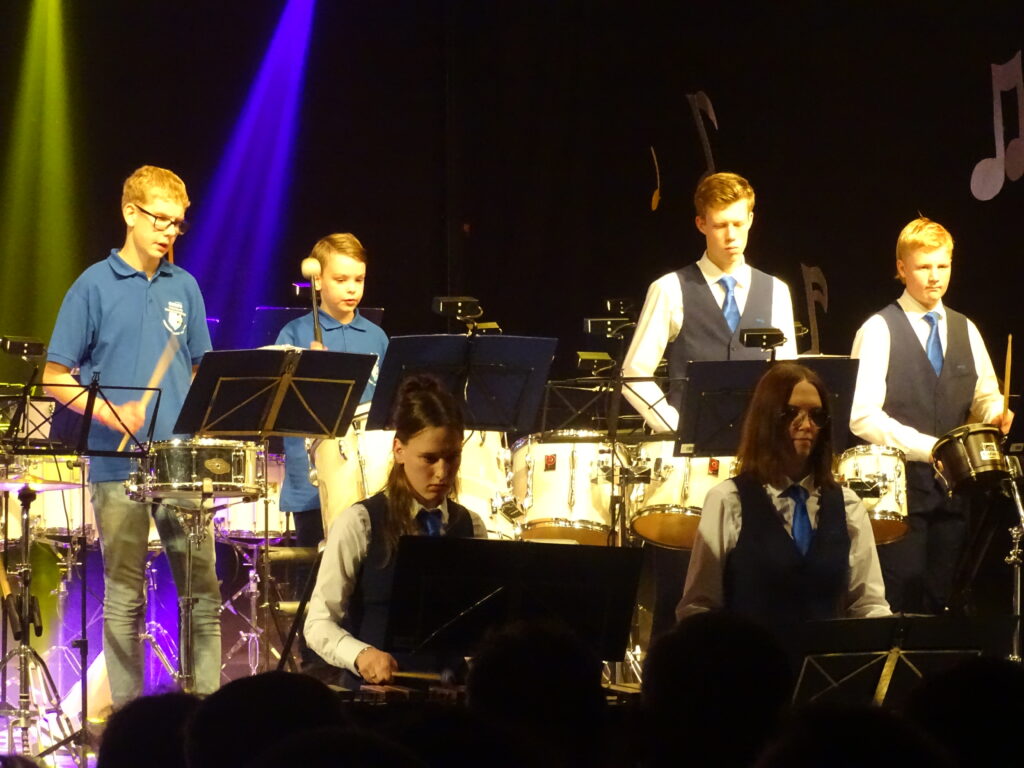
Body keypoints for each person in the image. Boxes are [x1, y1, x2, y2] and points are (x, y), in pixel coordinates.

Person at [43, 165, 220, 707]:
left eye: (178, 223)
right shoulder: (92, 285)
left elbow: (200, 370)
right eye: (160, 219)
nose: (169, 231)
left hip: (179, 464)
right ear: (130, 213)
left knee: (201, 594)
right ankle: (128, 720)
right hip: (116, 465)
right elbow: (55, 378)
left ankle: (207, 710)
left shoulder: (184, 286)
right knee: (124, 598)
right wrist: (110, 413)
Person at [621, 171, 799, 639]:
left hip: (757, 464)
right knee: (683, 595)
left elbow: (790, 379)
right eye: (720, 225)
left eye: (739, 223)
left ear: (752, 219)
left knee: (752, 591)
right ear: (701, 224)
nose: (731, 235)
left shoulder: (776, 291)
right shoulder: (671, 288)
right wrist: (679, 426)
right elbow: (634, 374)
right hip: (690, 471)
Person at [849, 216, 1012, 614]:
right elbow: (862, 415)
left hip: (956, 494)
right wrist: (931, 448)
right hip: (898, 495)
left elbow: (984, 396)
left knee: (946, 599)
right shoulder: (879, 329)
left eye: (943, 266)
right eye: (924, 267)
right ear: (901, 268)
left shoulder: (965, 328)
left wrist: (996, 412)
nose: (935, 277)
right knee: (902, 598)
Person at [678, 362, 890, 634]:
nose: (806, 425)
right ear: (767, 420)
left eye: (816, 415)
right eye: (791, 413)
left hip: (823, 658)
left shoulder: (847, 505)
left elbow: (869, 604)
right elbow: (698, 606)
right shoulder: (728, 500)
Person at [304, 374, 487, 688]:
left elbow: (480, 624)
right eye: (429, 458)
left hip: (451, 696)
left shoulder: (471, 525)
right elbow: (318, 623)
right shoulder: (360, 522)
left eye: (452, 457)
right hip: (376, 696)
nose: (442, 472)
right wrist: (361, 655)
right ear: (399, 450)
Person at [274, 233, 388, 549]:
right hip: (311, 483)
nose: (352, 288)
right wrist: (307, 371)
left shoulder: (376, 337)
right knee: (316, 567)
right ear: (318, 281)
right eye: (341, 279)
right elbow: (277, 406)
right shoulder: (294, 333)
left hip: (371, 476)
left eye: (359, 279)